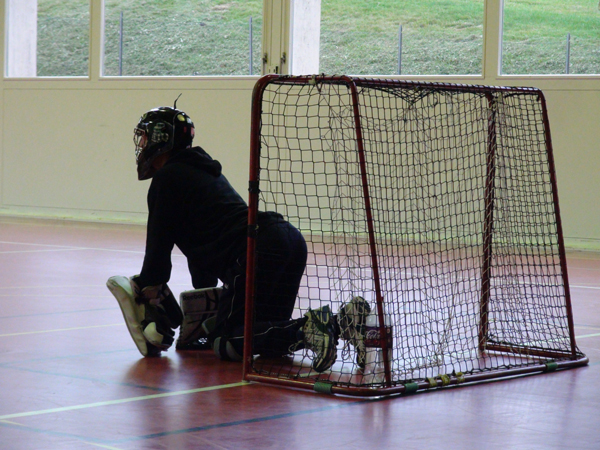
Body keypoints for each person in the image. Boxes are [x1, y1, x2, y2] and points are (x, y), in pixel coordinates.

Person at [106, 104, 370, 372]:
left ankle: (311, 329)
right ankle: (342, 322)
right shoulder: (201, 169)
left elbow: (158, 252)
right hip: (288, 240)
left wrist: (146, 287)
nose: (142, 145)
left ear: (161, 139)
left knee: (227, 341)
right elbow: (200, 242)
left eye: (144, 137)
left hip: (256, 249)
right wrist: (201, 311)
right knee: (263, 333)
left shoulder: (166, 179)